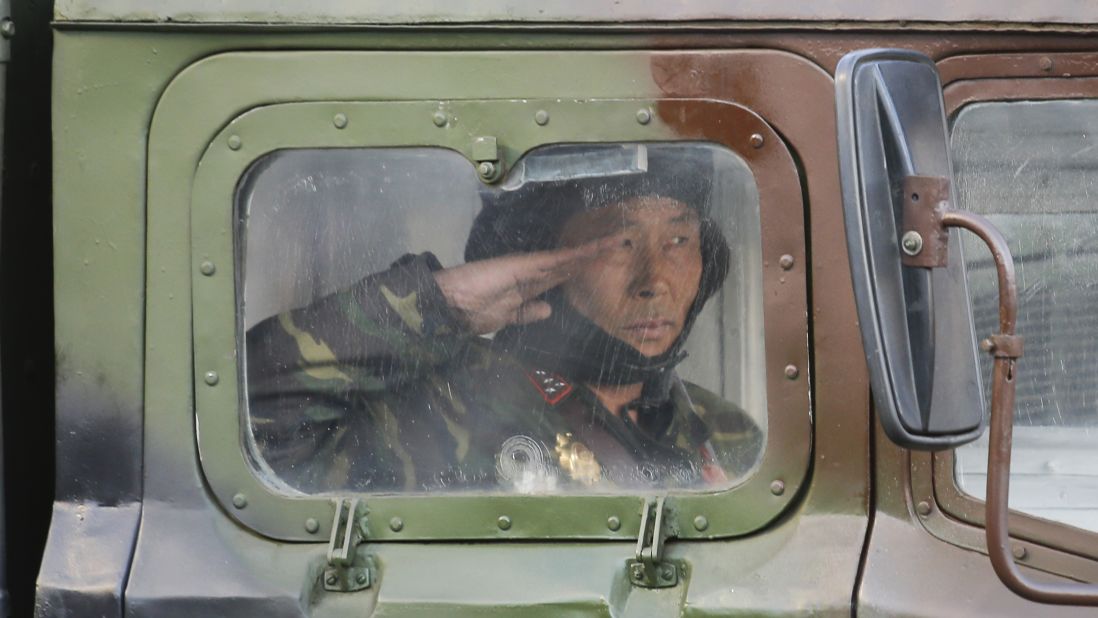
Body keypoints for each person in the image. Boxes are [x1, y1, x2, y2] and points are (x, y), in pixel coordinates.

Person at [246, 146, 762, 493]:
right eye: (622, 242)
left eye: (679, 240)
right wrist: (443, 303)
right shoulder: (445, 405)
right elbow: (252, 421)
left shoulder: (727, 435)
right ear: (546, 258)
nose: (657, 280)